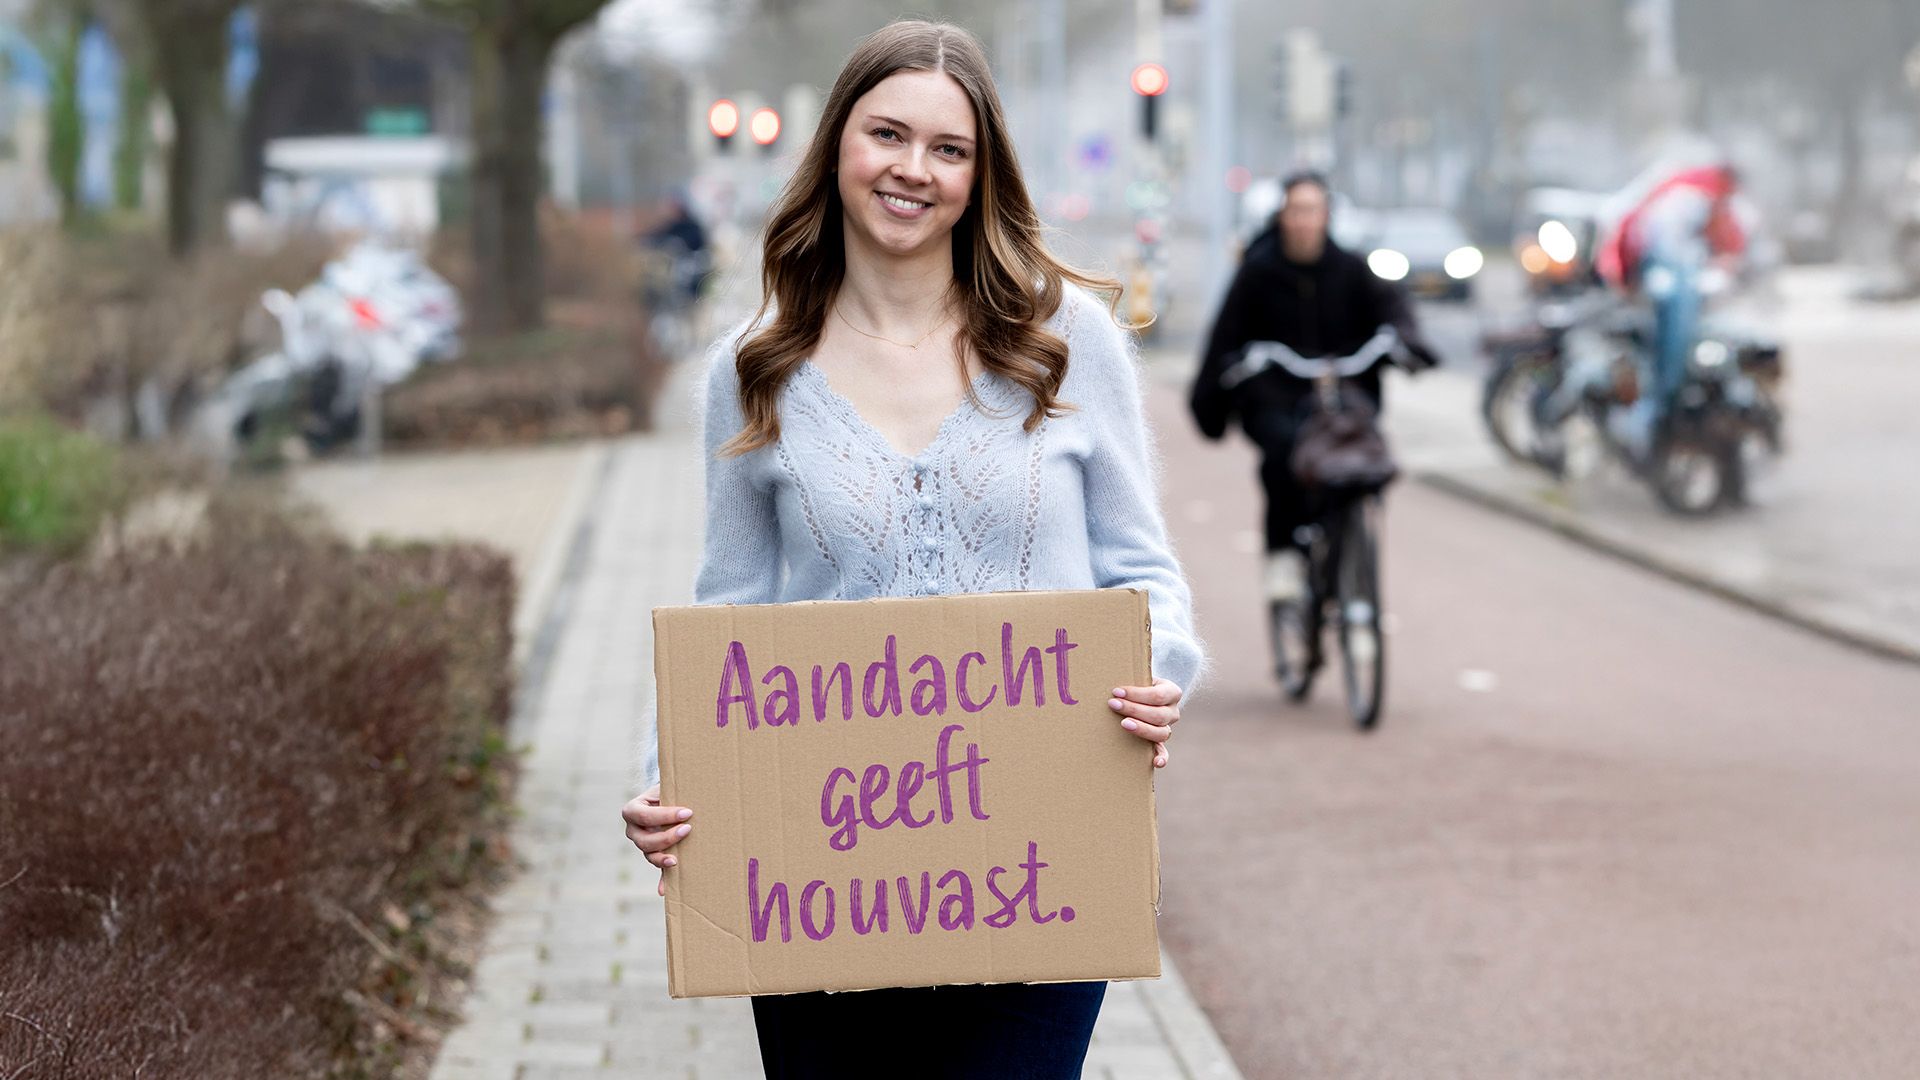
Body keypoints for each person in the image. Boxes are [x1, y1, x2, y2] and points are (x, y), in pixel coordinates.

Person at [619, 20, 1204, 1078]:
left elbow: (1143, 571)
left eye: (949, 149)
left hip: (1041, 859)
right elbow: (730, 610)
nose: (913, 170)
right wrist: (674, 782)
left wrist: (1156, 674)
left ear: (982, 177)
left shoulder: (1066, 344)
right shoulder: (754, 371)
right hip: (816, 869)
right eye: (888, 134)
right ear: (838, 142)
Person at [1189, 171, 1435, 604]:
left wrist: (1407, 343)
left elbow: (1393, 309)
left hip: (1345, 391)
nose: (1304, 221)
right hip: (1277, 395)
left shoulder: (1351, 269)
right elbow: (1224, 337)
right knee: (1284, 452)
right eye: (1295, 211)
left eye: (1313, 211)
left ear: (1327, 216)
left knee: (1364, 453)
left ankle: (1351, 547)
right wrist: (1214, 395)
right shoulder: (1258, 273)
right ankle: (1283, 552)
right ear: (1282, 216)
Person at [1594, 162, 1747, 455]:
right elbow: (1678, 247)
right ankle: (1660, 409)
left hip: (1646, 272)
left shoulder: (1690, 190)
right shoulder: (1695, 198)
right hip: (1661, 274)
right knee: (1671, 345)